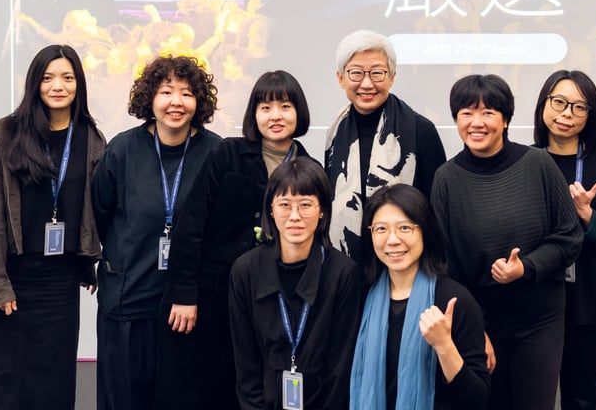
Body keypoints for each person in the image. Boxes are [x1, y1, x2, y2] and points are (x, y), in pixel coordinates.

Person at [0, 45, 105, 410]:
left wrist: (88, 263)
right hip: (10, 278)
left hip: (59, 285)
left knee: (51, 385)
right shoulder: (6, 134)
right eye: (48, 78)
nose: (58, 86)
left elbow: (97, 209)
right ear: (35, 83)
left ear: (79, 84)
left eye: (67, 78)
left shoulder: (91, 139)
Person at [158, 70, 314, 409]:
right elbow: (191, 224)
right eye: (265, 108)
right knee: (209, 385)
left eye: (285, 107)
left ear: (299, 112)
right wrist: (184, 294)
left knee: (259, 386)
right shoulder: (227, 154)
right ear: (253, 114)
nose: (275, 116)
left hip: (278, 299)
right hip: (215, 294)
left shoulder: (309, 169)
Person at [431, 74, 583, 410]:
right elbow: (444, 264)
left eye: (488, 113)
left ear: (505, 120)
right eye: (466, 113)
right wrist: (476, 330)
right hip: (481, 320)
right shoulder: (446, 179)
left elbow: (570, 238)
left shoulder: (538, 164)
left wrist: (525, 267)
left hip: (540, 320)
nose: (477, 123)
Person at [91, 55, 223, 410]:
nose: (176, 102)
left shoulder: (216, 153)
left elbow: (219, 233)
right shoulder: (122, 150)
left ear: (199, 101)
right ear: (150, 98)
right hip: (128, 303)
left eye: (186, 93)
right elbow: (100, 214)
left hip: (187, 310)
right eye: (166, 92)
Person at [533, 70, 596, 410]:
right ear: (544, 104)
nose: (567, 114)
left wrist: (589, 216)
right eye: (559, 102)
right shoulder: (525, 161)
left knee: (581, 400)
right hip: (535, 304)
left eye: (579, 107)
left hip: (589, 305)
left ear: (590, 115)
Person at [229, 157, 361, 410]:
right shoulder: (245, 271)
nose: (294, 216)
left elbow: (339, 369)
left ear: (322, 210)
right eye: (284, 205)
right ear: (270, 209)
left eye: (305, 204)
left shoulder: (343, 273)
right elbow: (245, 365)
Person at [350, 184, 490, 410]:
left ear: (425, 231)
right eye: (381, 229)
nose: (392, 240)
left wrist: (444, 346)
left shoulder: (454, 300)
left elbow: (478, 400)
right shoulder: (362, 296)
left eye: (405, 228)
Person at [324, 30, 446, 267]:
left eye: (377, 73)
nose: (367, 83)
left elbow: (436, 211)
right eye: (356, 73)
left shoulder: (420, 130)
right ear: (341, 78)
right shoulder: (335, 132)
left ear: (392, 77)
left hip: (406, 265)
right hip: (346, 267)